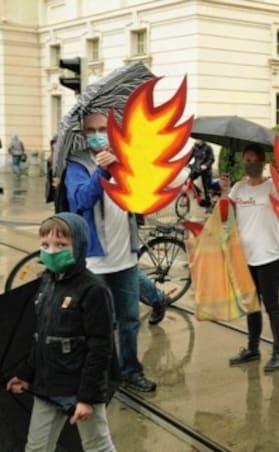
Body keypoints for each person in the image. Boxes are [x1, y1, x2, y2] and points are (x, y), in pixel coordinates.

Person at [6, 213, 116, 451]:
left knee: (97, 445)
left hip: (79, 387)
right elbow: (41, 337)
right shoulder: (47, 282)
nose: (52, 251)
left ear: (80, 246)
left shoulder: (93, 290)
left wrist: (87, 398)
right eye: (45, 245)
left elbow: (100, 347)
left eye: (61, 245)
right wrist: (26, 374)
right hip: (47, 385)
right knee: (36, 447)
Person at [64, 109, 156, 392]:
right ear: (82, 135)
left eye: (102, 128)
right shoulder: (77, 165)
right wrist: (102, 169)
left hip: (125, 257)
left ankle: (131, 370)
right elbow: (80, 200)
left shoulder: (125, 160)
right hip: (95, 263)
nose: (96, 135)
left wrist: (120, 167)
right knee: (100, 325)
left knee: (129, 320)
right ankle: (104, 375)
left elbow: (141, 197)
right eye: (90, 131)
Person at [221, 145, 279, 372]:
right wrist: (223, 192)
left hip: (270, 254)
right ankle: (253, 348)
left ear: (262, 162)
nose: (248, 163)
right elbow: (225, 216)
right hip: (246, 257)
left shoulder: (273, 188)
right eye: (246, 159)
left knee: (272, 305)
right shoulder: (238, 188)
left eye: (252, 159)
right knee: (251, 305)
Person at [190, 139, 215, 206]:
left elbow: (211, 159)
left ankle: (208, 205)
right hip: (197, 169)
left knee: (207, 188)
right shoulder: (194, 147)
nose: (197, 140)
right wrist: (183, 164)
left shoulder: (208, 147)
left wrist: (206, 165)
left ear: (202, 140)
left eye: (198, 139)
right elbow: (188, 157)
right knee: (188, 180)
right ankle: (198, 192)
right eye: (196, 139)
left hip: (206, 170)